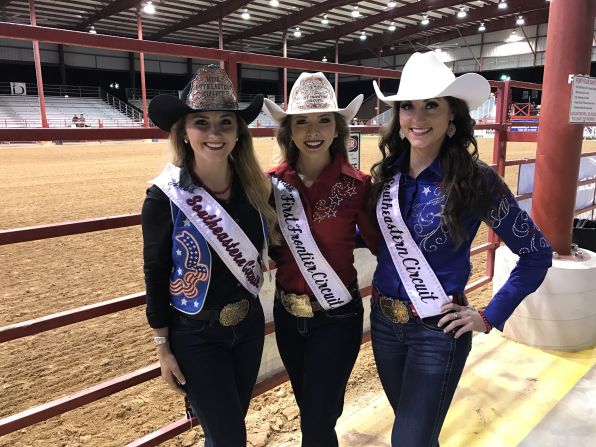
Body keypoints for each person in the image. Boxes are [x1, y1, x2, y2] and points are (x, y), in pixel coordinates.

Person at [368, 52, 552, 446]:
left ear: (452, 114)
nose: (417, 117)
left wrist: (488, 316)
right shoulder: (387, 175)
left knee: (408, 440)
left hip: (437, 330)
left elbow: (537, 252)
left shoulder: (476, 181)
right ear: (398, 116)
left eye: (431, 105)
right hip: (383, 324)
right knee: (417, 433)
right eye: (408, 107)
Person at [142, 65, 278, 446]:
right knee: (230, 437)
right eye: (201, 122)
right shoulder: (162, 199)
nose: (215, 133)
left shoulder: (257, 190)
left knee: (225, 431)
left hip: (247, 328)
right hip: (197, 336)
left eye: (226, 122)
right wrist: (163, 349)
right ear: (184, 132)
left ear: (238, 132)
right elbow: (155, 273)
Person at [263, 73, 378, 447]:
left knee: (318, 417)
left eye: (324, 119)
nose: (313, 130)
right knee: (312, 409)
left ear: (338, 128)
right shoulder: (268, 185)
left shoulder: (358, 186)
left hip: (336, 317)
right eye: (302, 121)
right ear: (289, 129)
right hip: (288, 315)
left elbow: (380, 242)